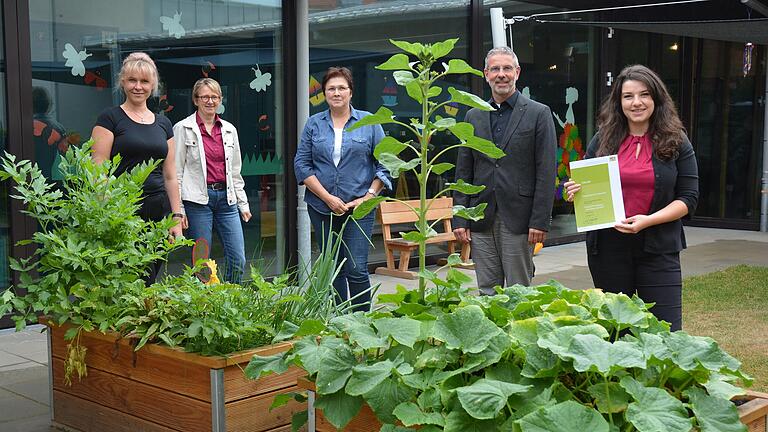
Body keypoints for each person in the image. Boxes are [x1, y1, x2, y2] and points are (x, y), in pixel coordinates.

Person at [564, 64, 699, 331]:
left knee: (666, 331)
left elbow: (689, 198)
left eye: (644, 95)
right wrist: (574, 192)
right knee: (616, 331)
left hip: (659, 248)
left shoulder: (676, 140)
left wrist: (647, 221)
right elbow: (586, 184)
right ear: (619, 102)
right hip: (609, 249)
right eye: (628, 96)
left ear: (656, 99)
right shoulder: (603, 139)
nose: (636, 102)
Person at [453, 46, 557, 294]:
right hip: (481, 216)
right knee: (486, 289)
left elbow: (546, 172)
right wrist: (460, 217)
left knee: (519, 290)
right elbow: (463, 171)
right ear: (486, 74)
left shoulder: (538, 113)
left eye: (507, 68)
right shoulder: (473, 115)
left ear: (517, 72)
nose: (502, 74)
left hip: (519, 219)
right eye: (495, 69)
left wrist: (539, 221)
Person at [294, 66, 391, 310]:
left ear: (350, 92)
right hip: (321, 208)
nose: (336, 93)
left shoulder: (370, 123)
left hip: (359, 209)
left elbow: (386, 163)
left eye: (341, 88)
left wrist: (368, 196)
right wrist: (327, 198)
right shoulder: (314, 124)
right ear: (324, 93)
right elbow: (302, 164)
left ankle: (360, 324)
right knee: (332, 268)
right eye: (331, 88)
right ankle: (338, 324)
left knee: (356, 268)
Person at [91, 52, 183, 284]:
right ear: (123, 82)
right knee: (129, 278)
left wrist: (176, 216)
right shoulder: (109, 118)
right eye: (132, 80)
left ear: (153, 86)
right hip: (123, 209)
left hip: (158, 209)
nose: (138, 87)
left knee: (150, 275)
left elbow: (170, 175)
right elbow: (98, 169)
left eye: (144, 81)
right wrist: (110, 211)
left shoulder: (163, 123)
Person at [174, 78, 251, 283]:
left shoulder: (229, 129)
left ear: (220, 99)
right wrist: (179, 209)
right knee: (201, 261)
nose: (210, 101)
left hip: (227, 200)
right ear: (196, 100)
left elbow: (235, 171)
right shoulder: (183, 128)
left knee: (238, 259)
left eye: (214, 96)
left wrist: (243, 203)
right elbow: (176, 172)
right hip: (198, 202)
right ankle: (205, 306)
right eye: (205, 97)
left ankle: (229, 299)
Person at [32, 87, 69, 180]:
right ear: (49, 105)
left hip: (23, 179)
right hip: (48, 179)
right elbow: (66, 158)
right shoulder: (58, 128)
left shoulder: (20, 128)